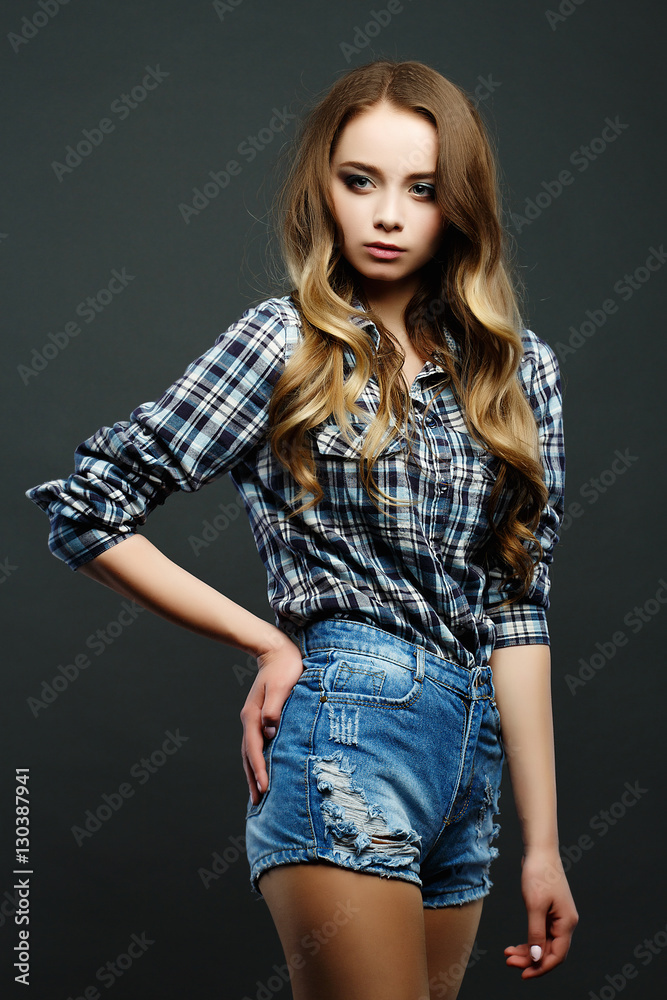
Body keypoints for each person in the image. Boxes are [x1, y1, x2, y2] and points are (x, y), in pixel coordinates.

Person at [26, 59, 578, 999]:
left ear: (461, 208)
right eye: (359, 181)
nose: (388, 215)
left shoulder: (520, 372)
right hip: (346, 732)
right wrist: (264, 638)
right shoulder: (283, 342)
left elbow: (518, 612)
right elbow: (89, 502)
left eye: (422, 190)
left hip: (471, 771)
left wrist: (543, 845)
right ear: (322, 186)